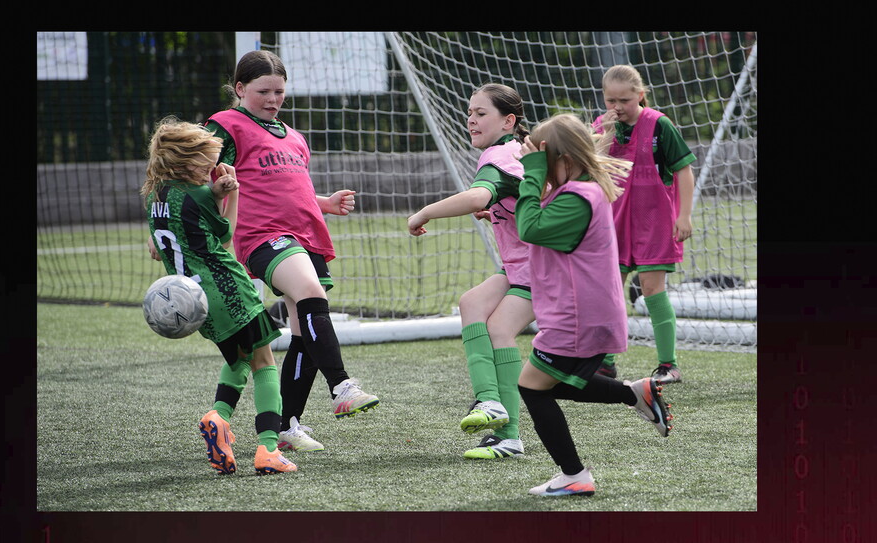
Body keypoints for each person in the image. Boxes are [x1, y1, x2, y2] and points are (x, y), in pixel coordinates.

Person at [203, 50, 378, 453]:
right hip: (263, 236)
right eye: (263, 91)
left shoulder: (294, 136)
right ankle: (342, 388)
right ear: (240, 89)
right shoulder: (224, 126)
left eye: (279, 91)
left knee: (305, 331)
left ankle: (287, 425)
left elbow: (286, 188)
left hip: (305, 236)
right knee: (312, 298)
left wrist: (325, 203)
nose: (273, 98)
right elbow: (195, 173)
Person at [513, 113, 673, 497]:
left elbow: (530, 227)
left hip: (577, 319)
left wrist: (532, 173)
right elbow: (536, 226)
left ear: (564, 161)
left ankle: (575, 475)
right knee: (550, 384)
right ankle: (635, 393)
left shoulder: (578, 197)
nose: (537, 168)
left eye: (543, 160)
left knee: (533, 388)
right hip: (578, 316)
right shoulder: (574, 192)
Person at [141, 117, 297, 476]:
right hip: (228, 288)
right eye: (204, 162)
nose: (211, 168)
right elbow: (227, 235)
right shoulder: (197, 194)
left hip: (195, 301)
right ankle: (269, 449)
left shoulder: (156, 197)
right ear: (183, 162)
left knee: (241, 357)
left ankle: (219, 417)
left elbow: (177, 227)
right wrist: (232, 193)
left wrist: (212, 192)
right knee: (264, 363)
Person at [407, 83, 533, 460]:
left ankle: (507, 432)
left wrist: (424, 212)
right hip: (524, 266)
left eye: (481, 113)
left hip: (545, 269)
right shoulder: (514, 150)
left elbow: (480, 195)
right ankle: (491, 401)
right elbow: (515, 197)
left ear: (508, 120)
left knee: (499, 328)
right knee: (471, 303)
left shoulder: (498, 155)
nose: (471, 120)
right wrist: (500, 208)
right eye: (470, 113)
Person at [592, 64, 697, 384]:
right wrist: (604, 131)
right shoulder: (601, 126)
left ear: (640, 96)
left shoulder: (659, 124)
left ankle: (669, 365)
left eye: (624, 100)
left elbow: (683, 170)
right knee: (609, 291)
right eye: (611, 100)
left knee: (652, 291)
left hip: (655, 221)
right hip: (614, 222)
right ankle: (605, 362)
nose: (617, 107)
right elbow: (589, 163)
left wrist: (684, 215)